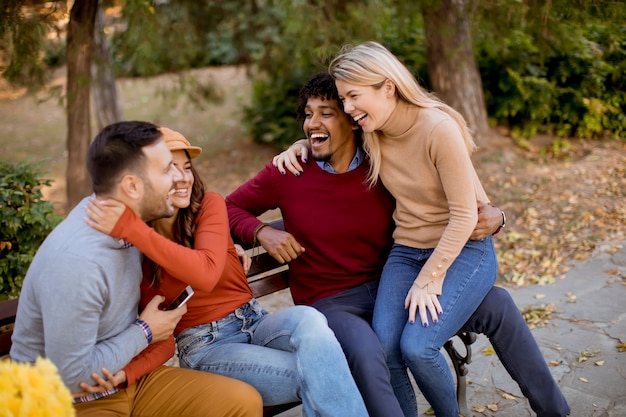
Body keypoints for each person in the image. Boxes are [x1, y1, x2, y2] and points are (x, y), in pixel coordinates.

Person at [234, 72, 570, 417]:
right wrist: (260, 232)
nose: (312, 124)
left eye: (326, 113)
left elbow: (451, 200)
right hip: (332, 300)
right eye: (308, 114)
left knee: (497, 302)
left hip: (394, 285)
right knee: (371, 350)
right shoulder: (287, 171)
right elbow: (224, 209)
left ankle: (555, 410)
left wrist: (497, 216)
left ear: (353, 121)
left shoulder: (382, 161)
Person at [84, 126, 368, 417]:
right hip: (207, 348)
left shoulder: (208, 206)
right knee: (320, 372)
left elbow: (205, 270)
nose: (183, 177)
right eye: (171, 168)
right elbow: (162, 336)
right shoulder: (136, 250)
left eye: (187, 167)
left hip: (255, 321)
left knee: (310, 319)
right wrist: (128, 373)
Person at [10, 121, 262, 417]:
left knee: (240, 402)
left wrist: (227, 249)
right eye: (166, 170)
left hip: (129, 382)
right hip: (68, 400)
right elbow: (71, 376)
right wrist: (144, 331)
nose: (178, 180)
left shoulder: (134, 222)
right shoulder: (78, 262)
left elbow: (193, 257)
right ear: (132, 186)